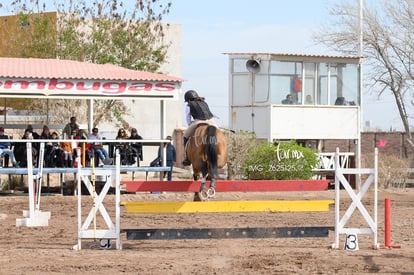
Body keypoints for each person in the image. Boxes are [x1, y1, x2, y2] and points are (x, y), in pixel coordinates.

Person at [182, 90, 216, 166]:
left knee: (185, 136)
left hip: (198, 121)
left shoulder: (189, 105)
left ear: (189, 100)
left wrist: (190, 125)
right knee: (219, 133)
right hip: (211, 121)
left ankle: (187, 158)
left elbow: (188, 118)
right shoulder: (204, 102)